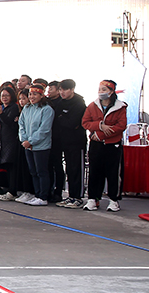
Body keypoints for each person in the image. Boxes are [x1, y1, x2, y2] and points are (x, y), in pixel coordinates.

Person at [81, 80, 127, 212]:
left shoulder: (120, 107)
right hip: (96, 144)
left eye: (104, 89)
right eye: (99, 89)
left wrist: (102, 135)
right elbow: (85, 122)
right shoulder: (92, 106)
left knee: (113, 173)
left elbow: (121, 126)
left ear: (111, 92)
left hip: (113, 145)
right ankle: (93, 199)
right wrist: (99, 126)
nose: (100, 92)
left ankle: (114, 200)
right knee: (94, 172)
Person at [51, 79, 87, 208]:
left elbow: (73, 123)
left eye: (65, 89)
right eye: (60, 90)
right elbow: (56, 119)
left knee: (76, 169)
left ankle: (78, 197)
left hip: (76, 142)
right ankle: (70, 196)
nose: (62, 92)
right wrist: (63, 119)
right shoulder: (61, 103)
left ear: (72, 90)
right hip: (63, 141)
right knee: (69, 170)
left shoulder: (79, 103)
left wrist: (62, 119)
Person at [0, 87, 34, 203]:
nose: (5, 98)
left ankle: (14, 190)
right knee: (7, 167)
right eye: (3, 96)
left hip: (13, 141)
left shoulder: (13, 108)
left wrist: (1, 114)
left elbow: (11, 124)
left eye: (7, 95)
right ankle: (10, 189)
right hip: (3, 140)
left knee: (14, 167)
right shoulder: (2, 108)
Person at [18, 84, 54, 206]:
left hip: (41, 146)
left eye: (35, 94)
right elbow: (21, 125)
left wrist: (31, 141)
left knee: (41, 171)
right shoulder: (27, 108)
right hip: (28, 146)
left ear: (41, 95)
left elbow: (44, 130)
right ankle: (37, 193)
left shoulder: (47, 109)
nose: (32, 97)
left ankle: (43, 196)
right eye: (30, 94)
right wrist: (24, 140)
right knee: (33, 171)